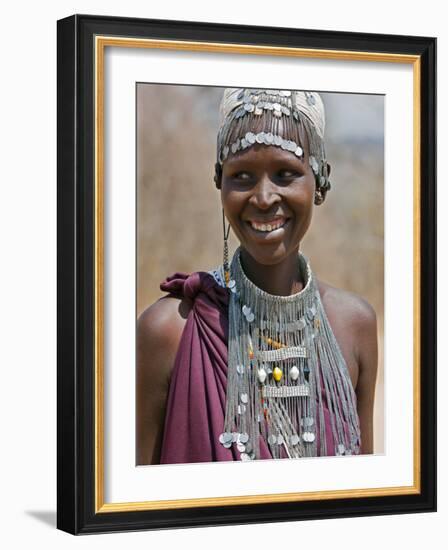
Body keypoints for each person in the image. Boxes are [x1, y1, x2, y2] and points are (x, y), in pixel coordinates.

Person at [136, 88, 378, 465]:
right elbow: (136, 504)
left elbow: (367, 501)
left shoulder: (354, 325)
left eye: (286, 174)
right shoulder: (170, 331)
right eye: (242, 176)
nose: (264, 198)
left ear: (320, 182)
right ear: (220, 183)